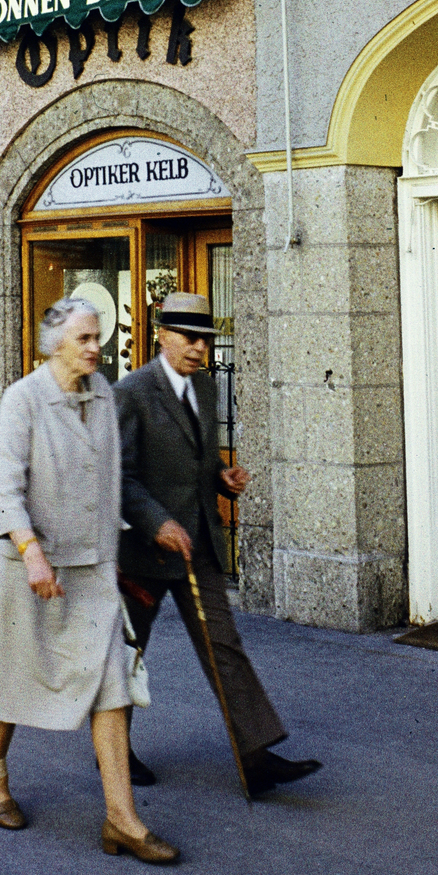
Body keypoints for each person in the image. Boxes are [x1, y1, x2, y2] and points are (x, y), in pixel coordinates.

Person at [0, 296, 179, 864]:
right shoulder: (23, 401)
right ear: (55, 345)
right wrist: (31, 551)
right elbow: (6, 490)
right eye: (86, 339)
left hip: (92, 573)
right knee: (14, 678)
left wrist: (137, 545)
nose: (97, 347)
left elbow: (114, 483)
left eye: (98, 337)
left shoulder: (103, 398)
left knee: (111, 687)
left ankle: (122, 820)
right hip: (34, 568)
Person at [116, 291, 322, 797]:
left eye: (205, 340)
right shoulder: (131, 393)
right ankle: (113, 755)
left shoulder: (205, 390)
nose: (198, 349)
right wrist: (156, 522)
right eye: (188, 338)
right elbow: (117, 477)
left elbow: (196, 462)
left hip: (198, 545)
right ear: (162, 334)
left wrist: (221, 478)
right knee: (125, 654)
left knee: (223, 645)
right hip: (144, 554)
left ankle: (254, 757)